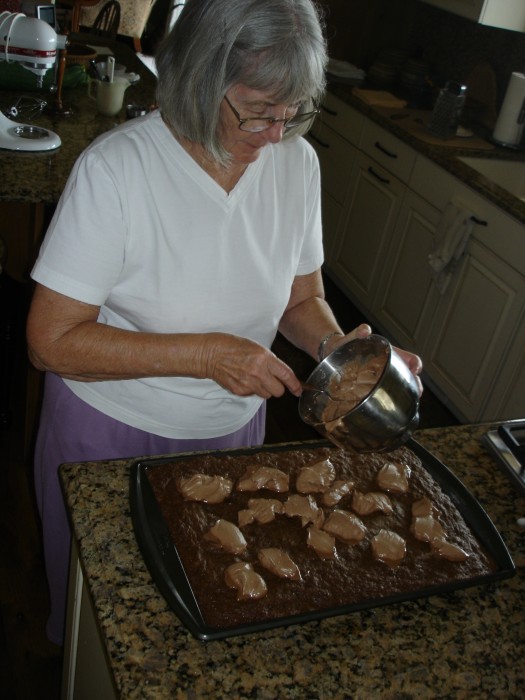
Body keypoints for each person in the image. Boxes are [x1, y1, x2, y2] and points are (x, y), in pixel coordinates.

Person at [26, 0, 423, 646]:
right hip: (107, 435)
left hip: (228, 435)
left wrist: (338, 351)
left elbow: (298, 299)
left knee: (208, 614)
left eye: (293, 110)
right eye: (259, 110)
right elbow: (50, 341)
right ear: (200, 77)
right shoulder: (118, 168)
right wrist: (207, 355)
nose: (276, 133)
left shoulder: (296, 163)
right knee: (104, 631)